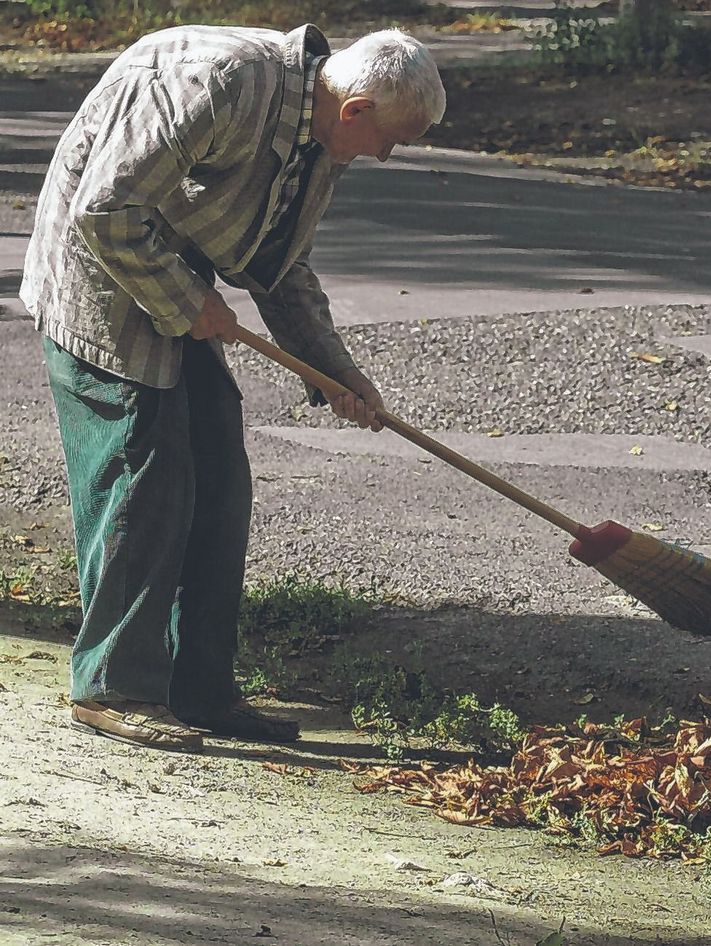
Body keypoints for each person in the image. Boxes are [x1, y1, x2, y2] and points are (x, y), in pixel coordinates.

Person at [19, 24, 446, 753]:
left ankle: (201, 689)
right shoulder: (224, 82)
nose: (387, 154)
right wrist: (189, 301)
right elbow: (105, 212)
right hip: (96, 275)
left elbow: (280, 266)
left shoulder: (319, 136)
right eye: (391, 140)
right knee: (145, 474)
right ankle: (112, 687)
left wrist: (335, 370)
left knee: (219, 476)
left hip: (170, 276)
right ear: (356, 109)